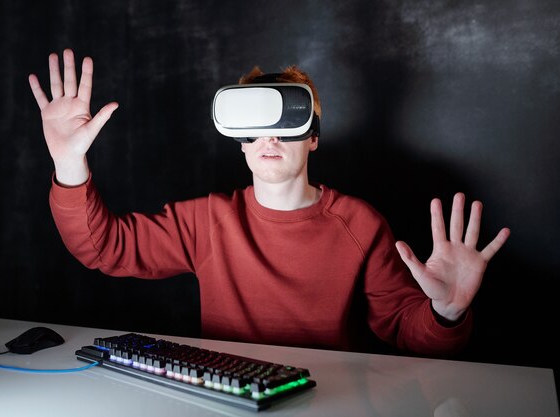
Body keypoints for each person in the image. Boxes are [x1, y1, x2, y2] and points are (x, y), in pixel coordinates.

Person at [28, 49, 510, 356]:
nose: (269, 137)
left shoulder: (359, 224)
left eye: (287, 119)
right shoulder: (207, 221)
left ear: (313, 137)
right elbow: (104, 247)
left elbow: (408, 330)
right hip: (226, 398)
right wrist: (70, 163)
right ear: (238, 140)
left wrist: (446, 312)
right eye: (254, 124)